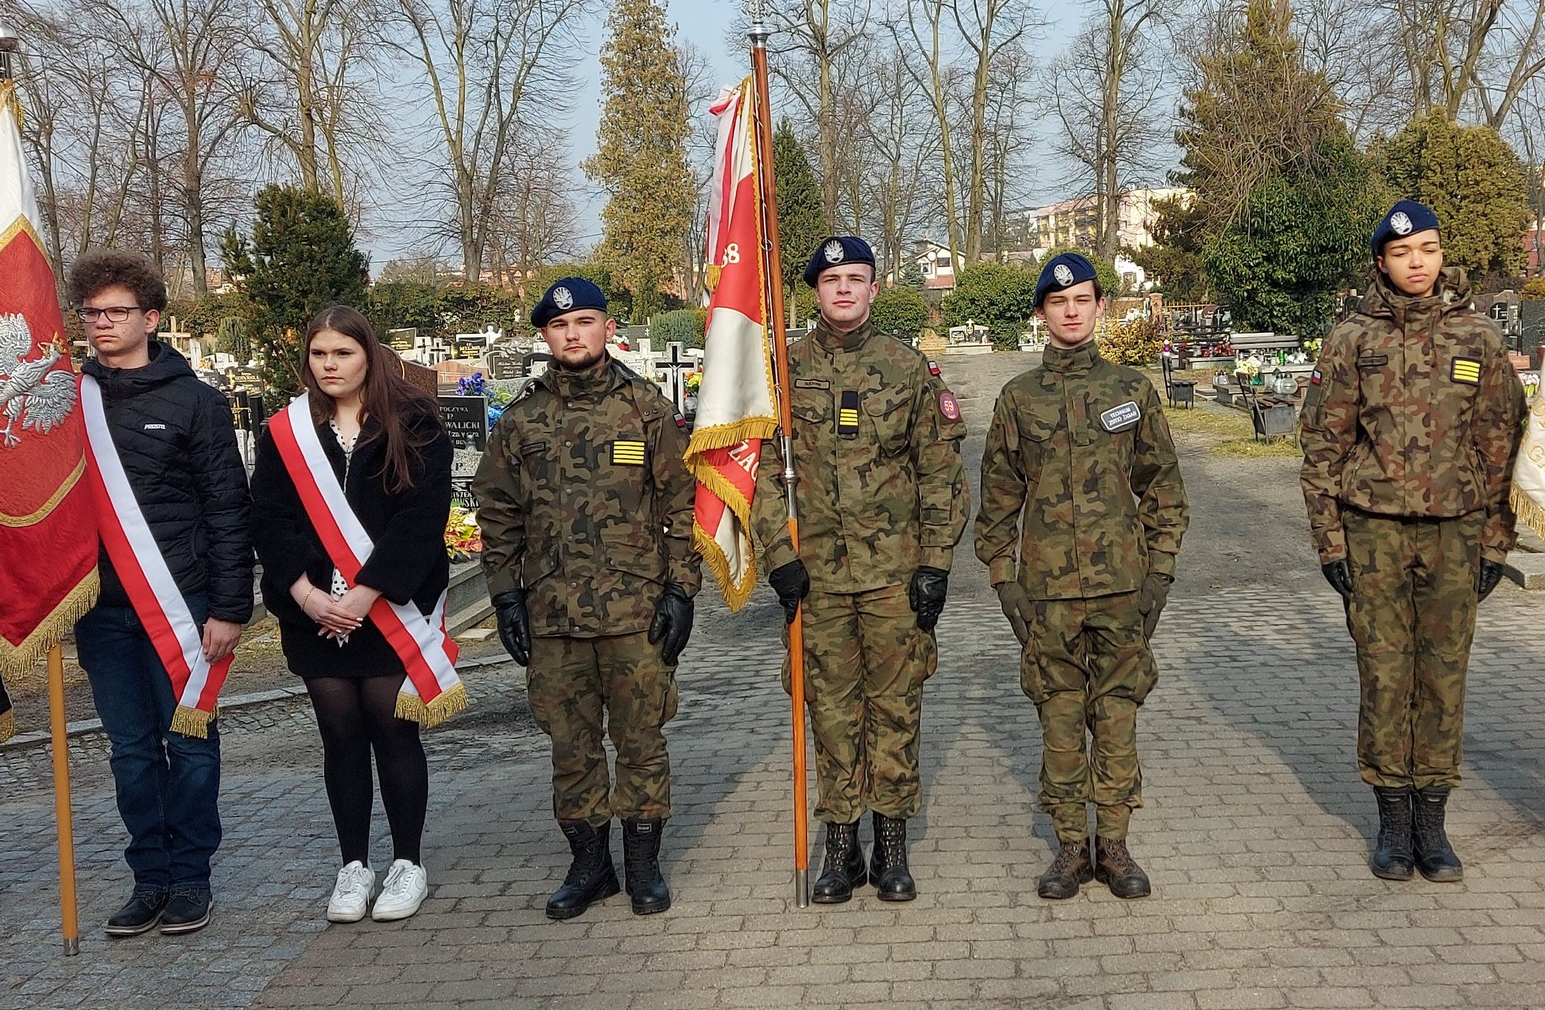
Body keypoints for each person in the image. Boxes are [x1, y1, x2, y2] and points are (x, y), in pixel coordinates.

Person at [1299, 200, 1526, 883]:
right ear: (1381, 262)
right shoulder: (1351, 341)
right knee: (1385, 678)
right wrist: (1330, 542)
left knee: (1443, 680)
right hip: (1372, 533)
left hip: (1455, 534)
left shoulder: (1478, 339)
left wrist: (1495, 543)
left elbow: (1502, 445)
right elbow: (1322, 445)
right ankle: (1393, 825)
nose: (1417, 262)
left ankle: (1434, 825)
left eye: (1426, 249)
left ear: (1441, 253)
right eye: (1402, 253)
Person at [752, 235, 969, 903]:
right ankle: (841, 846)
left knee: (897, 709)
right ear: (814, 291)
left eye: (856, 277)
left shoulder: (907, 371)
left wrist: (935, 564)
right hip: (815, 579)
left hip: (892, 579)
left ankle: (892, 846)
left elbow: (940, 475)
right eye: (832, 279)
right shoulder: (783, 372)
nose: (844, 289)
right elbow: (760, 473)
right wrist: (778, 558)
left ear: (875, 289)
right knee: (832, 711)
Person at [474, 277, 700, 920]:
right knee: (570, 745)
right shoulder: (521, 421)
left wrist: (682, 588)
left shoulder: (646, 410)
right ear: (545, 335)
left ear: (607, 328)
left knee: (641, 739)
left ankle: (644, 864)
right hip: (554, 617)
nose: (573, 335)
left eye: (586, 322)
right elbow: (497, 513)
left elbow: (681, 505)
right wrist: (505, 599)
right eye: (559, 326)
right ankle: (590, 864)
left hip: (636, 613)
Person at [975, 252, 1188, 900]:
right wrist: (1005, 580)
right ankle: (1071, 846)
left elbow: (1164, 488)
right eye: (1059, 302)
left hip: (1123, 588)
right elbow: (997, 499)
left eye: (1084, 300)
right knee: (1061, 718)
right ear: (1042, 313)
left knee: (1117, 713)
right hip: (1047, 594)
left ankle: (1115, 845)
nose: (1072, 311)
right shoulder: (1018, 399)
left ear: (1100, 308)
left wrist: (1160, 575)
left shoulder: (1132, 391)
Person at [251, 308, 455, 925]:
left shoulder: (414, 423)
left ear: (368, 354)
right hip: (314, 611)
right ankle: (352, 866)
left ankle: (407, 864)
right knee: (339, 734)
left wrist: (366, 593)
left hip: (389, 606)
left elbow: (421, 519)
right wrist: (307, 594)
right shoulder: (285, 431)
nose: (331, 365)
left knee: (392, 729)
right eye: (320, 355)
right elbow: (268, 516)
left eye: (343, 353)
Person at [67, 253, 251, 938]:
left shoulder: (196, 402)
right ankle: (149, 877)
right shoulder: (68, 401)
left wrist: (231, 608)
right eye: (91, 312)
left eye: (116, 311)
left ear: (151, 318)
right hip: (101, 612)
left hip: (185, 608)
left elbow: (227, 509)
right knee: (131, 753)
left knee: (192, 745)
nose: (101, 324)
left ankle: (191, 878)